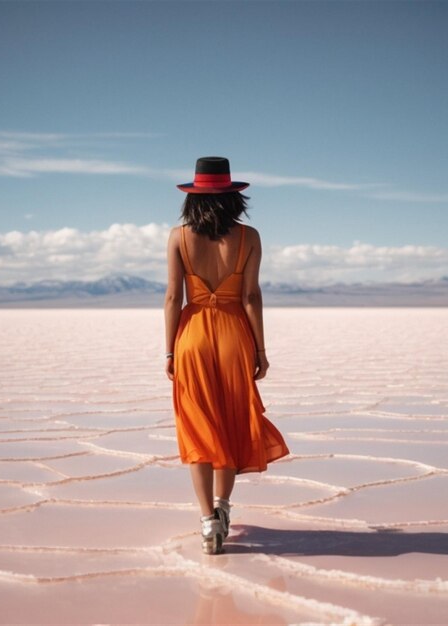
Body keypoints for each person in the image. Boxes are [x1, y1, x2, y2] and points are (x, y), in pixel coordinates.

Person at [164, 156, 290, 555]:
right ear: (234, 197)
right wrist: (261, 349)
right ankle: (223, 508)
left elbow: (172, 297)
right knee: (232, 422)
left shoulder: (178, 237)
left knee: (199, 427)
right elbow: (251, 295)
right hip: (235, 335)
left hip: (193, 336)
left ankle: (206, 524)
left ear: (193, 198)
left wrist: (169, 350)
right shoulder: (249, 237)